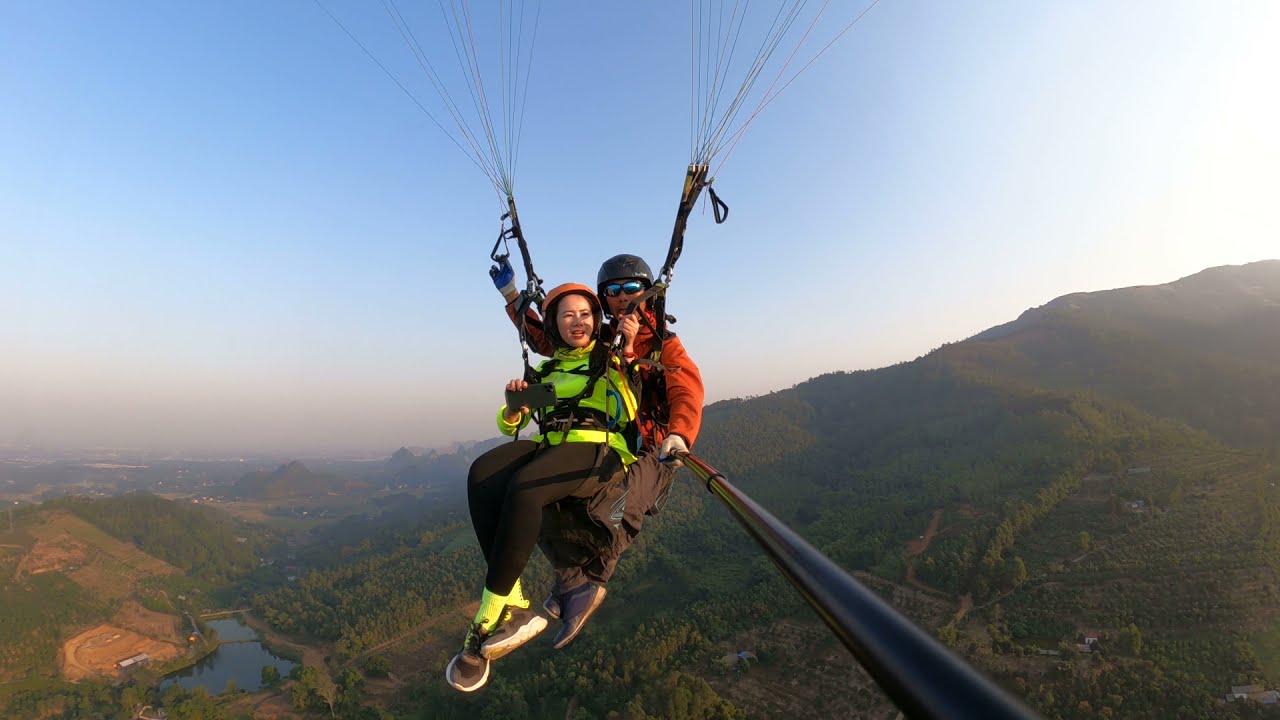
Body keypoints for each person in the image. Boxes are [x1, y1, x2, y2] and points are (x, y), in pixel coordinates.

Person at [491, 253, 705, 648]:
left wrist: (680, 434)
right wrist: (512, 296)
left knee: (611, 518)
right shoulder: (604, 337)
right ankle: (571, 583)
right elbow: (546, 336)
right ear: (604, 300)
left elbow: (685, 388)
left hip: (650, 447)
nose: (623, 298)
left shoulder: (662, 346)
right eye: (613, 292)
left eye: (631, 290)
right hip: (606, 439)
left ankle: (586, 585)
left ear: (648, 295)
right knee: (547, 499)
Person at [446, 282, 641, 693]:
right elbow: (510, 424)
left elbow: (630, 408)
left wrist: (625, 356)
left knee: (526, 485)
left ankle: (487, 617)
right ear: (554, 324)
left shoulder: (607, 358)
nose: (578, 322)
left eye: (586, 315)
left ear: (596, 321)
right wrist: (514, 407)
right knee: (482, 474)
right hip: (552, 445)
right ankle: (514, 601)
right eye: (568, 315)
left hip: (598, 448)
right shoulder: (547, 371)